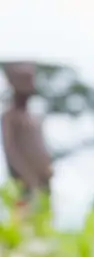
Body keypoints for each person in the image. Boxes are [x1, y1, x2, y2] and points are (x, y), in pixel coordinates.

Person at [2, 62, 52, 200]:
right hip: (25, 184)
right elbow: (10, 150)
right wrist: (27, 176)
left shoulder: (33, 117)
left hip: (44, 181)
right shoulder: (10, 117)